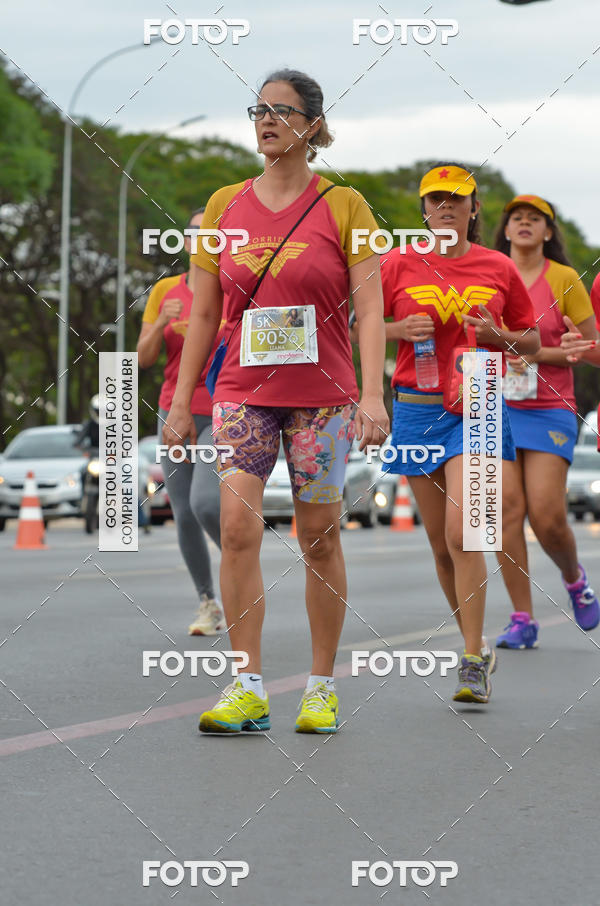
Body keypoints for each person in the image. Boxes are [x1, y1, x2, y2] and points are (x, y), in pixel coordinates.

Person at [163, 68, 388, 734]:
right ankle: (247, 684)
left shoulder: (346, 206)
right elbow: (203, 315)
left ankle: (321, 686)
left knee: (317, 538)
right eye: (258, 109)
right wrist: (181, 404)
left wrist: (372, 395)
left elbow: (371, 309)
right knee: (235, 528)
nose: (266, 120)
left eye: (282, 111)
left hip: (322, 398)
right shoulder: (225, 204)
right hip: (241, 394)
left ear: (312, 126)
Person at [379, 163, 540, 704]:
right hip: (417, 406)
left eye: (457, 199)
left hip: (479, 399)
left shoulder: (496, 265)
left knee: (464, 531)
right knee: (440, 547)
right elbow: (356, 325)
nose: (445, 207)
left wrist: (499, 334)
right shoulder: (397, 262)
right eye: (435, 200)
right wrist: (397, 330)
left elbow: (534, 341)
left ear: (474, 210)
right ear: (423, 211)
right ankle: (477, 642)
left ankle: (472, 657)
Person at [492, 195, 599, 648]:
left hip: (550, 407)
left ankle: (574, 579)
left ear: (548, 232)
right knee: (504, 512)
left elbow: (593, 350)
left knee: (548, 515)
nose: (524, 224)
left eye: (535, 219)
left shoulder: (564, 278)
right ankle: (522, 617)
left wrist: (540, 351)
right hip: (496, 405)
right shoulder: (489, 271)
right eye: (517, 217)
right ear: (507, 228)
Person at [137, 209, 226, 635]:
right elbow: (142, 358)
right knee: (185, 513)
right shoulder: (165, 290)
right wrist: (158, 325)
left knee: (205, 503)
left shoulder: (233, 288)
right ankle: (208, 603)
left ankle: (241, 565)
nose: (200, 238)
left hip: (225, 412)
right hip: (176, 409)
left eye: (211, 232)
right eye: (194, 232)